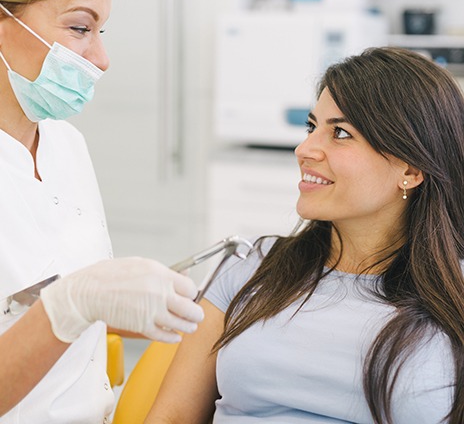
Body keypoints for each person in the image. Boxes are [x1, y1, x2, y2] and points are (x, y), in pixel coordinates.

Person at [146, 47, 464, 424]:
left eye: (341, 133)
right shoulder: (250, 268)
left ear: (410, 170)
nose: (305, 149)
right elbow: (172, 417)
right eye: (312, 127)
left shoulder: (454, 296)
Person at [0, 0, 203, 422]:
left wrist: (144, 301)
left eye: (101, 32)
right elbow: (64, 308)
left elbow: (50, 311)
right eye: (79, 27)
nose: (101, 59)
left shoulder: (66, 146)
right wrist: (72, 304)